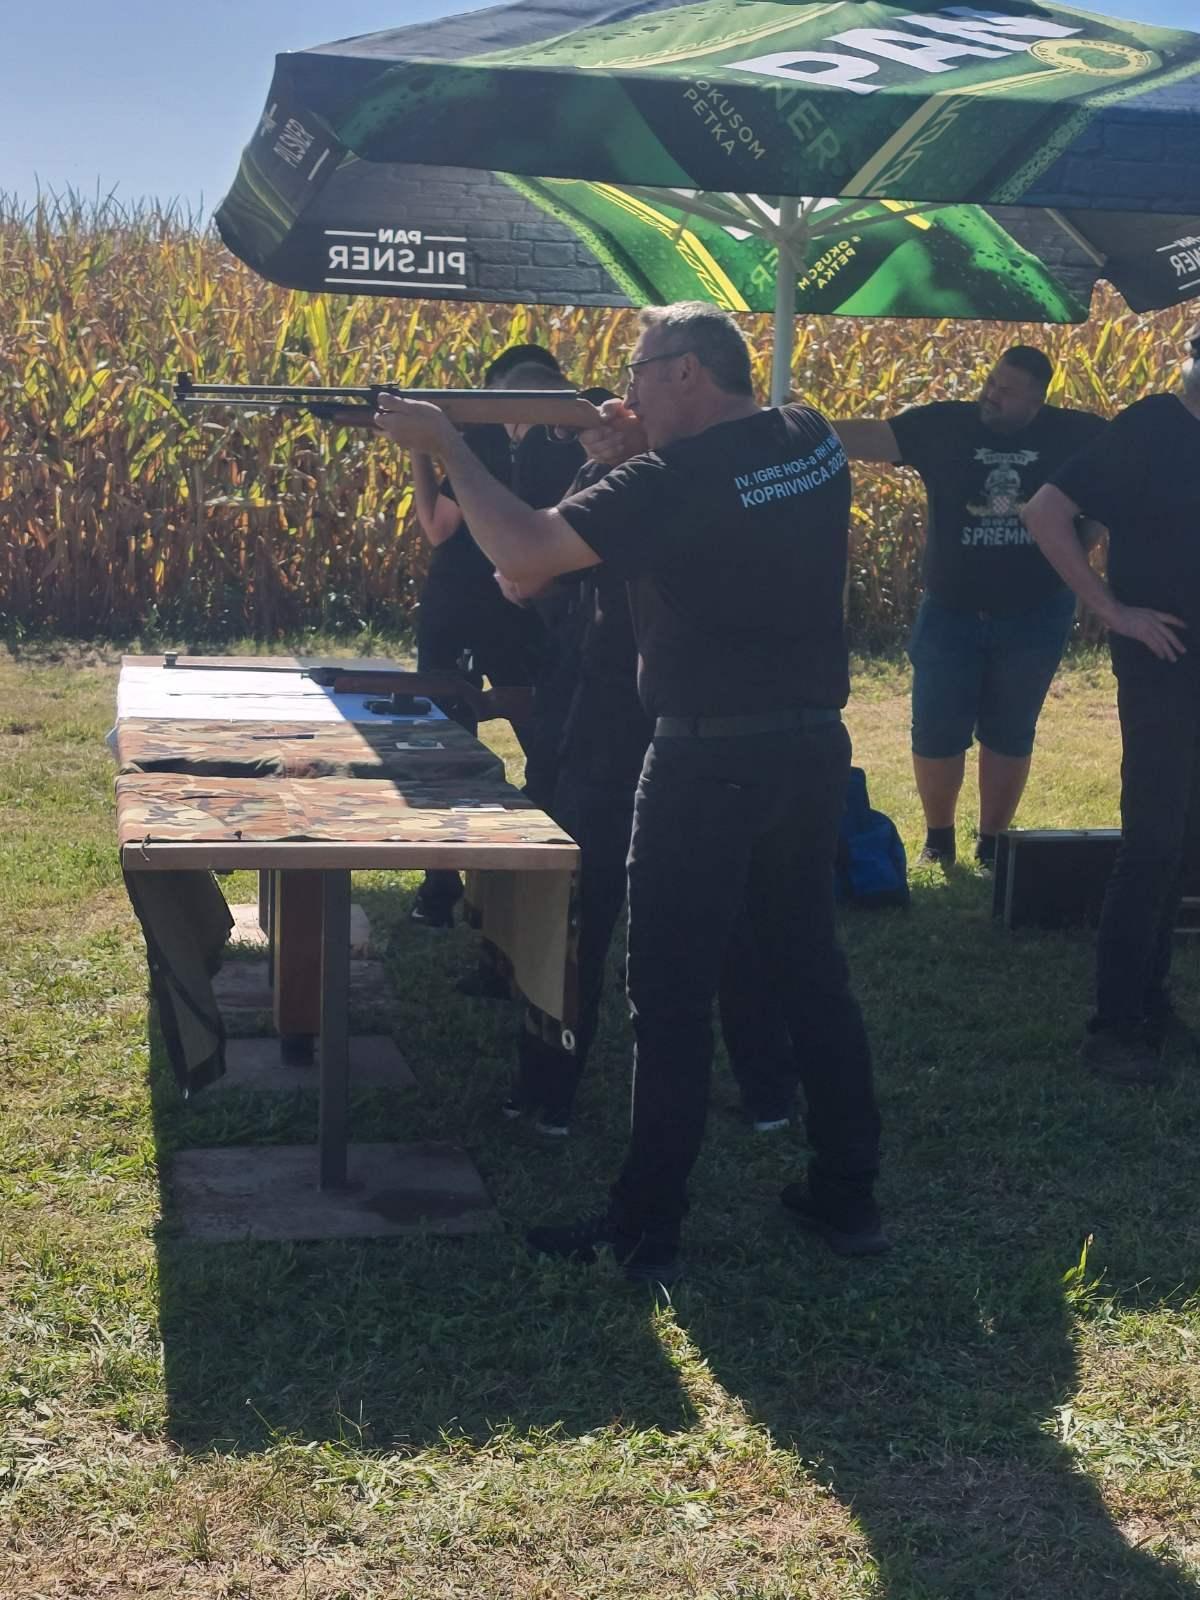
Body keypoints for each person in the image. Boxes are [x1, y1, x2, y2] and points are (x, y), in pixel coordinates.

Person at [376, 302, 885, 1282]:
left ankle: (646, 1225)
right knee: (811, 970)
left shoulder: (671, 480)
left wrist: (448, 444)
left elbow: (521, 558)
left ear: (689, 371)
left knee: (668, 996)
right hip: (811, 747)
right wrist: (621, 457)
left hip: (702, 760)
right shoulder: (809, 437)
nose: (630, 389)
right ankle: (849, 1191)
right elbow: (703, 515)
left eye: (642, 370)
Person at [832, 350, 1105, 869]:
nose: (991, 395)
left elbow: (1120, 481)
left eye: (1007, 391)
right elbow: (873, 437)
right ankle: (939, 841)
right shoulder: (944, 426)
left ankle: (992, 843)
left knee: (1010, 730)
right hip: (950, 610)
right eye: (991, 382)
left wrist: (1080, 545)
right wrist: (794, 426)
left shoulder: (1076, 434)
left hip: (1035, 613)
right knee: (936, 730)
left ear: (1037, 400)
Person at [1021, 324, 1200, 1086]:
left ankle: (1152, 1005)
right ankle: (1114, 1027)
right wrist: (1112, 609)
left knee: (1185, 841)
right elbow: (1044, 512)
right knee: (1153, 840)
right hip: (1163, 661)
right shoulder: (1151, 426)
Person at [407, 342, 566, 926]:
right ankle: (502, 882)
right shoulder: (557, 443)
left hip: (492, 606)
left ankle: (472, 887)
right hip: (509, 608)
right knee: (525, 745)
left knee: (465, 746)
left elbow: (435, 527)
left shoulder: (487, 442)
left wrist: (423, 449)